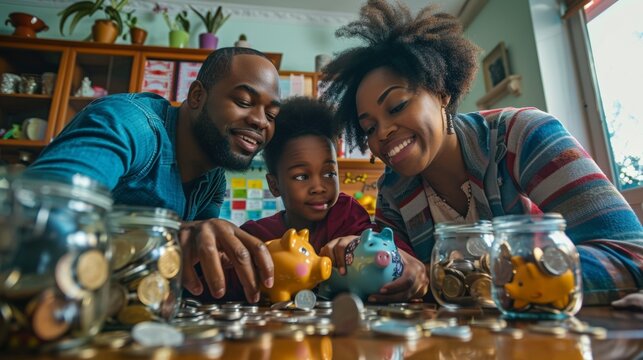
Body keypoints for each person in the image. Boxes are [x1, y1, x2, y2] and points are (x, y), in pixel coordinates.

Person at [320, 0, 643, 304]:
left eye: (397, 106)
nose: (383, 133)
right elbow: (400, 272)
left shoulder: (523, 135)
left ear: (441, 92)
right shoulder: (393, 189)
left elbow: (630, 254)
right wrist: (374, 264)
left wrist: (474, 276)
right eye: (369, 128)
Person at [23, 47, 282, 304]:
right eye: (244, 102)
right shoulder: (128, 124)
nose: (261, 122)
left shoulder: (212, 180)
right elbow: (36, 212)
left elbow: (194, 263)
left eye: (271, 115)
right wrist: (165, 236)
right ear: (196, 96)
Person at [217, 97, 415, 300]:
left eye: (329, 173)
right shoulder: (257, 236)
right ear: (274, 185)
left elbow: (396, 254)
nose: (319, 187)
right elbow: (220, 285)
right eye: (302, 176)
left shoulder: (347, 213)